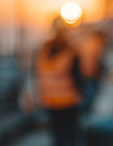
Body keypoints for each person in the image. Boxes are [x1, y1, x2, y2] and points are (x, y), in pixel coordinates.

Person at [36, 17, 83, 146]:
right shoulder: (71, 50)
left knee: (57, 135)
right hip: (68, 100)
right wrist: (82, 93)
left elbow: (37, 73)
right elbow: (77, 76)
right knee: (70, 135)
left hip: (50, 100)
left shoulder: (44, 49)